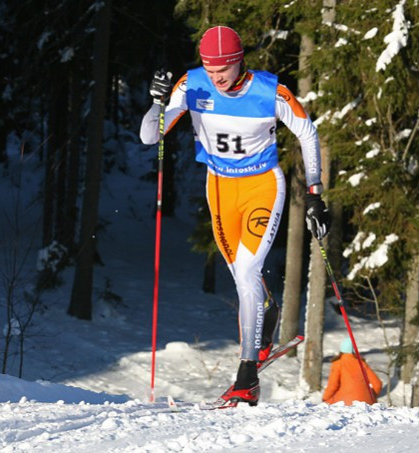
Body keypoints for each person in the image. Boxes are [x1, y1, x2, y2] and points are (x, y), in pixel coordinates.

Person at [140, 26, 330, 406]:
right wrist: (158, 102)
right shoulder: (191, 85)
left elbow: (307, 133)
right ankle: (267, 308)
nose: (216, 78)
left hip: (263, 186)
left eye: (223, 70)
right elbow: (149, 136)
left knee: (246, 273)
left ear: (239, 60)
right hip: (220, 189)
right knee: (242, 276)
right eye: (210, 71)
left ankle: (246, 378)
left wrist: (314, 193)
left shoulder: (269, 91)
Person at [322, 337, 383, 406]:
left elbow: (333, 386)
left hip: (345, 401)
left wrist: (324, 398)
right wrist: (372, 396)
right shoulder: (362, 363)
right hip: (367, 402)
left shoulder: (338, 364)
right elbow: (377, 384)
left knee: (327, 403)